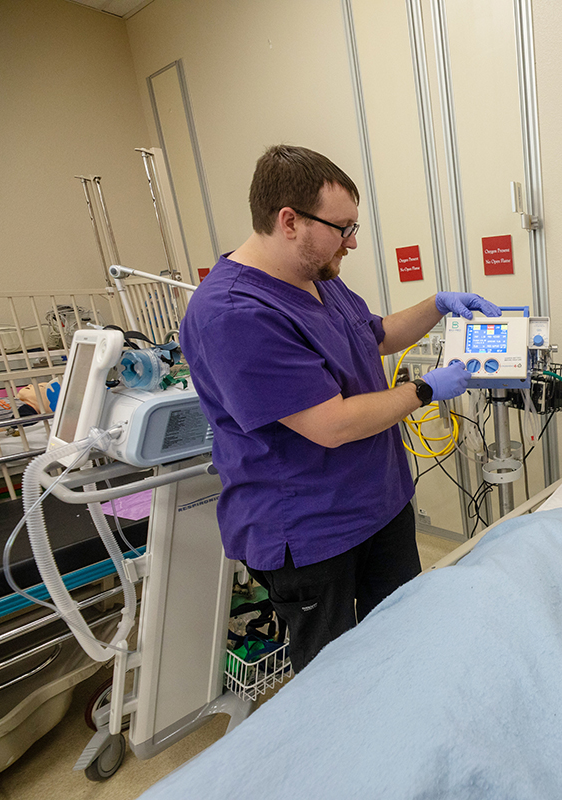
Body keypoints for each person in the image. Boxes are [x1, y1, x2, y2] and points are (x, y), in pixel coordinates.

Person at [181, 144, 500, 672]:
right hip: (311, 534)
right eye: (343, 228)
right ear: (289, 221)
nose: (352, 242)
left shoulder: (316, 278)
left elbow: (374, 335)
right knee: (337, 681)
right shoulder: (235, 312)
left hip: (381, 507)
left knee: (401, 645)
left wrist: (439, 304)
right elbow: (330, 425)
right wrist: (426, 390)